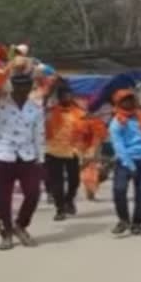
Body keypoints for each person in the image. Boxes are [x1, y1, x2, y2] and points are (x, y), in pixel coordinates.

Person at [0, 73, 45, 250]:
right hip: (2, 154)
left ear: (30, 88)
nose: (23, 90)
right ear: (13, 86)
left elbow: (39, 135)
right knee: (3, 198)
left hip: (27, 156)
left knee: (33, 193)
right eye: (19, 86)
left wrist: (41, 159)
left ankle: (21, 225)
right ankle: (6, 235)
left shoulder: (36, 109)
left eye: (27, 86)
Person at [108, 89, 141, 236]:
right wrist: (130, 165)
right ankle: (123, 220)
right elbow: (118, 146)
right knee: (119, 190)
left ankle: (137, 224)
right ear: (119, 104)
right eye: (125, 100)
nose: (129, 102)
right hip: (125, 162)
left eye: (131, 99)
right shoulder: (117, 122)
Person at [45, 82, 85, 221]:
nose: (67, 97)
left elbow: (86, 130)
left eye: (69, 94)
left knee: (74, 180)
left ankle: (69, 200)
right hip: (53, 151)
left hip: (72, 151)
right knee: (57, 182)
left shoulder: (80, 112)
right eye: (64, 95)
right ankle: (60, 209)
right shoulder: (50, 112)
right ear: (59, 96)